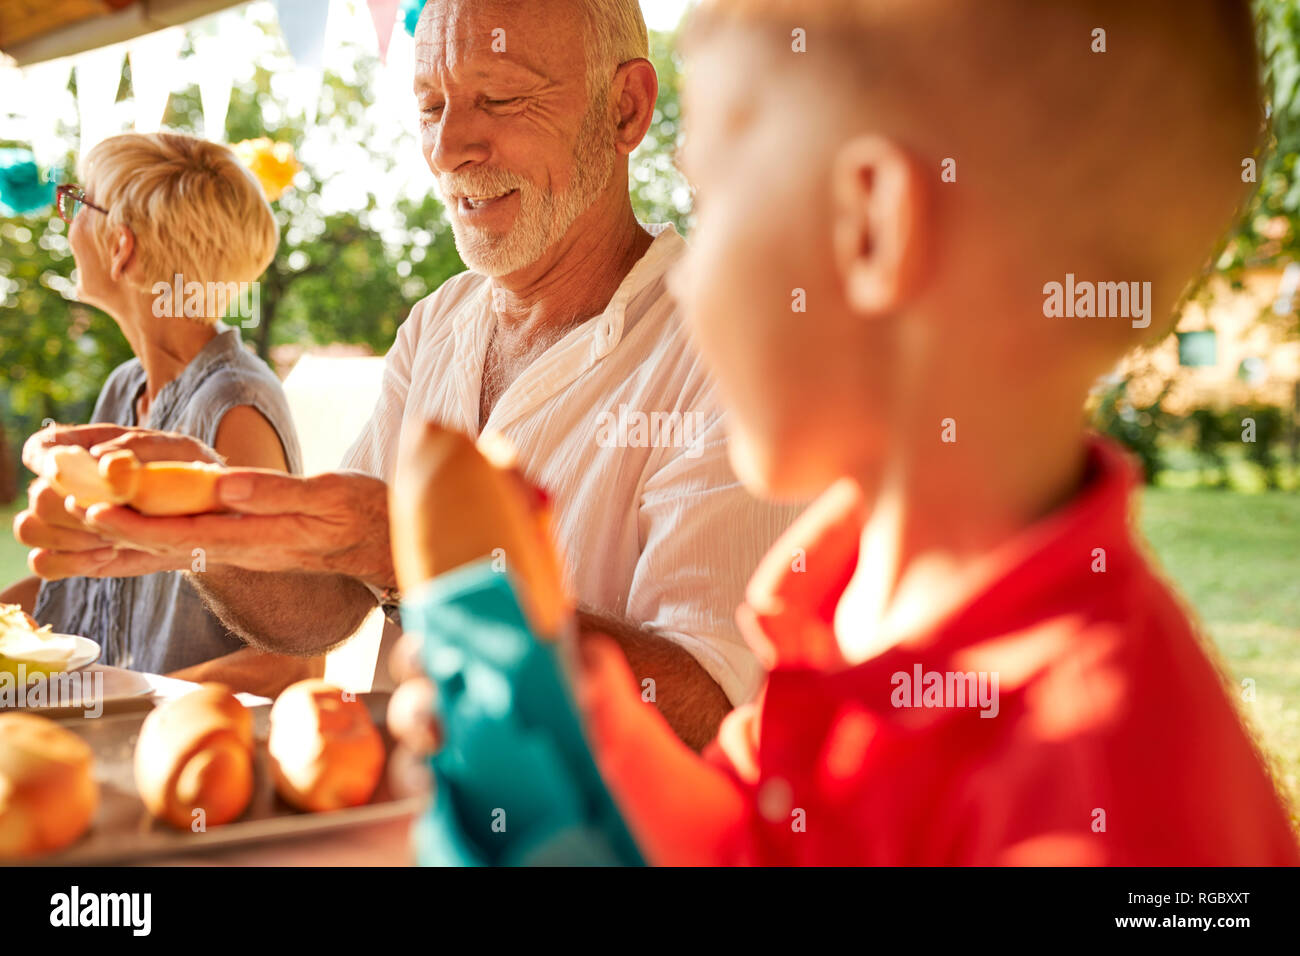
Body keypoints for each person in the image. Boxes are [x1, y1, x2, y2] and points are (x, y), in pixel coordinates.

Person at [391, 0, 1300, 864]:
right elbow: (752, 845)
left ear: (873, 228)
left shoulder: (1095, 786)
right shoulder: (853, 599)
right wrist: (580, 712)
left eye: (712, 204)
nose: (689, 279)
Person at [16, 0, 798, 748]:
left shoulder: (728, 346)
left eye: (498, 96)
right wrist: (206, 520)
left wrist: (413, 557)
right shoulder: (438, 323)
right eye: (429, 107)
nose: (450, 146)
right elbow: (326, 609)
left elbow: (712, 708)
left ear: (625, 109)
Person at [1, 132, 314, 696]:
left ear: (121, 246)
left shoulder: (234, 406)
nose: (64, 221)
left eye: (77, 202)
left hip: (175, 745)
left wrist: (114, 698)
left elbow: (289, 664)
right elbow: (82, 590)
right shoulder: (126, 387)